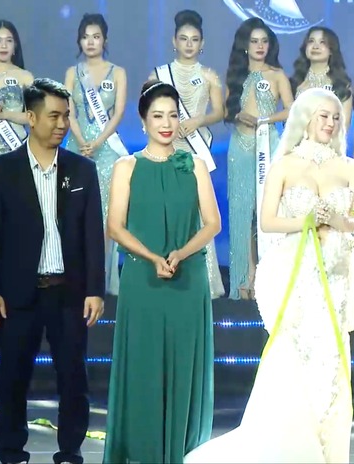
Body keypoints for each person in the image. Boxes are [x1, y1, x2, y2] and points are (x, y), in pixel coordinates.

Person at [185, 88, 354, 463]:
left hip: (336, 276)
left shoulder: (349, 167)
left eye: (336, 117)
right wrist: (307, 221)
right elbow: (268, 221)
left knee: (332, 362)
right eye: (323, 115)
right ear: (305, 118)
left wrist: (340, 221)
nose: (330, 123)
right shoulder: (285, 165)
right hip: (298, 274)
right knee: (295, 356)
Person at [0, 78, 105, 464]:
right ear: (31, 118)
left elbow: (93, 235)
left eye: (66, 116)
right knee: (13, 378)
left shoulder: (82, 171)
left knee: (73, 378)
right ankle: (11, 453)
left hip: (68, 292)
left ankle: (70, 451)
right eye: (54, 116)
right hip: (17, 293)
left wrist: (95, 289)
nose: (62, 123)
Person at [102, 80, 218, 463]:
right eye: (157, 116)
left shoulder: (195, 165)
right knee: (144, 364)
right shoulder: (127, 167)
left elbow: (212, 223)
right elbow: (115, 226)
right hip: (143, 279)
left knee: (185, 364)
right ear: (143, 120)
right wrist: (153, 258)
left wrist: (181, 253)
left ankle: (183, 449)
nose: (166, 124)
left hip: (189, 279)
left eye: (172, 115)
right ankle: (144, 450)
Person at [151, 9, 225, 298]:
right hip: (166, 150)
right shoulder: (159, 75)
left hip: (195, 149)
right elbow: (147, 111)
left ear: (202, 43)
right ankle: (163, 268)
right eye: (183, 38)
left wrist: (197, 121)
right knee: (166, 209)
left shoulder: (209, 76)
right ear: (174, 41)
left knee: (198, 211)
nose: (189, 44)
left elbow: (219, 112)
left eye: (194, 39)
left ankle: (203, 277)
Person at [225, 17, 293, 300]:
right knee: (241, 213)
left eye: (264, 41)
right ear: (245, 45)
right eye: (254, 41)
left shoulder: (277, 75)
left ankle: (267, 279)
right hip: (240, 148)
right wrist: (238, 115)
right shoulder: (236, 75)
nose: (259, 46)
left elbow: (291, 109)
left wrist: (264, 119)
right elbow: (227, 109)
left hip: (268, 146)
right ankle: (243, 278)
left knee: (266, 214)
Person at [64, 13, 127, 296]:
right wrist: (81, 141)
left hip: (107, 149)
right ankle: (75, 277)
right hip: (77, 149)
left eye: (96, 36)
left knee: (104, 214)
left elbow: (119, 112)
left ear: (105, 40)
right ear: (79, 41)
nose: (91, 42)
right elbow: (68, 112)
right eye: (85, 37)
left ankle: (101, 278)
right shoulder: (72, 73)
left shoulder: (118, 72)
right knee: (74, 212)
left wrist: (98, 142)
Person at [289, 26, 352, 132]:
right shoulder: (296, 82)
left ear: (331, 50)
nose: (315, 46)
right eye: (311, 41)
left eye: (322, 42)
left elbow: (343, 126)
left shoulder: (341, 85)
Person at [0, 20, 33, 158]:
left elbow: (34, 116)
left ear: (15, 46)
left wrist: (3, 115)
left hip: (15, 148)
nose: (4, 45)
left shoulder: (25, 77)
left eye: (9, 41)